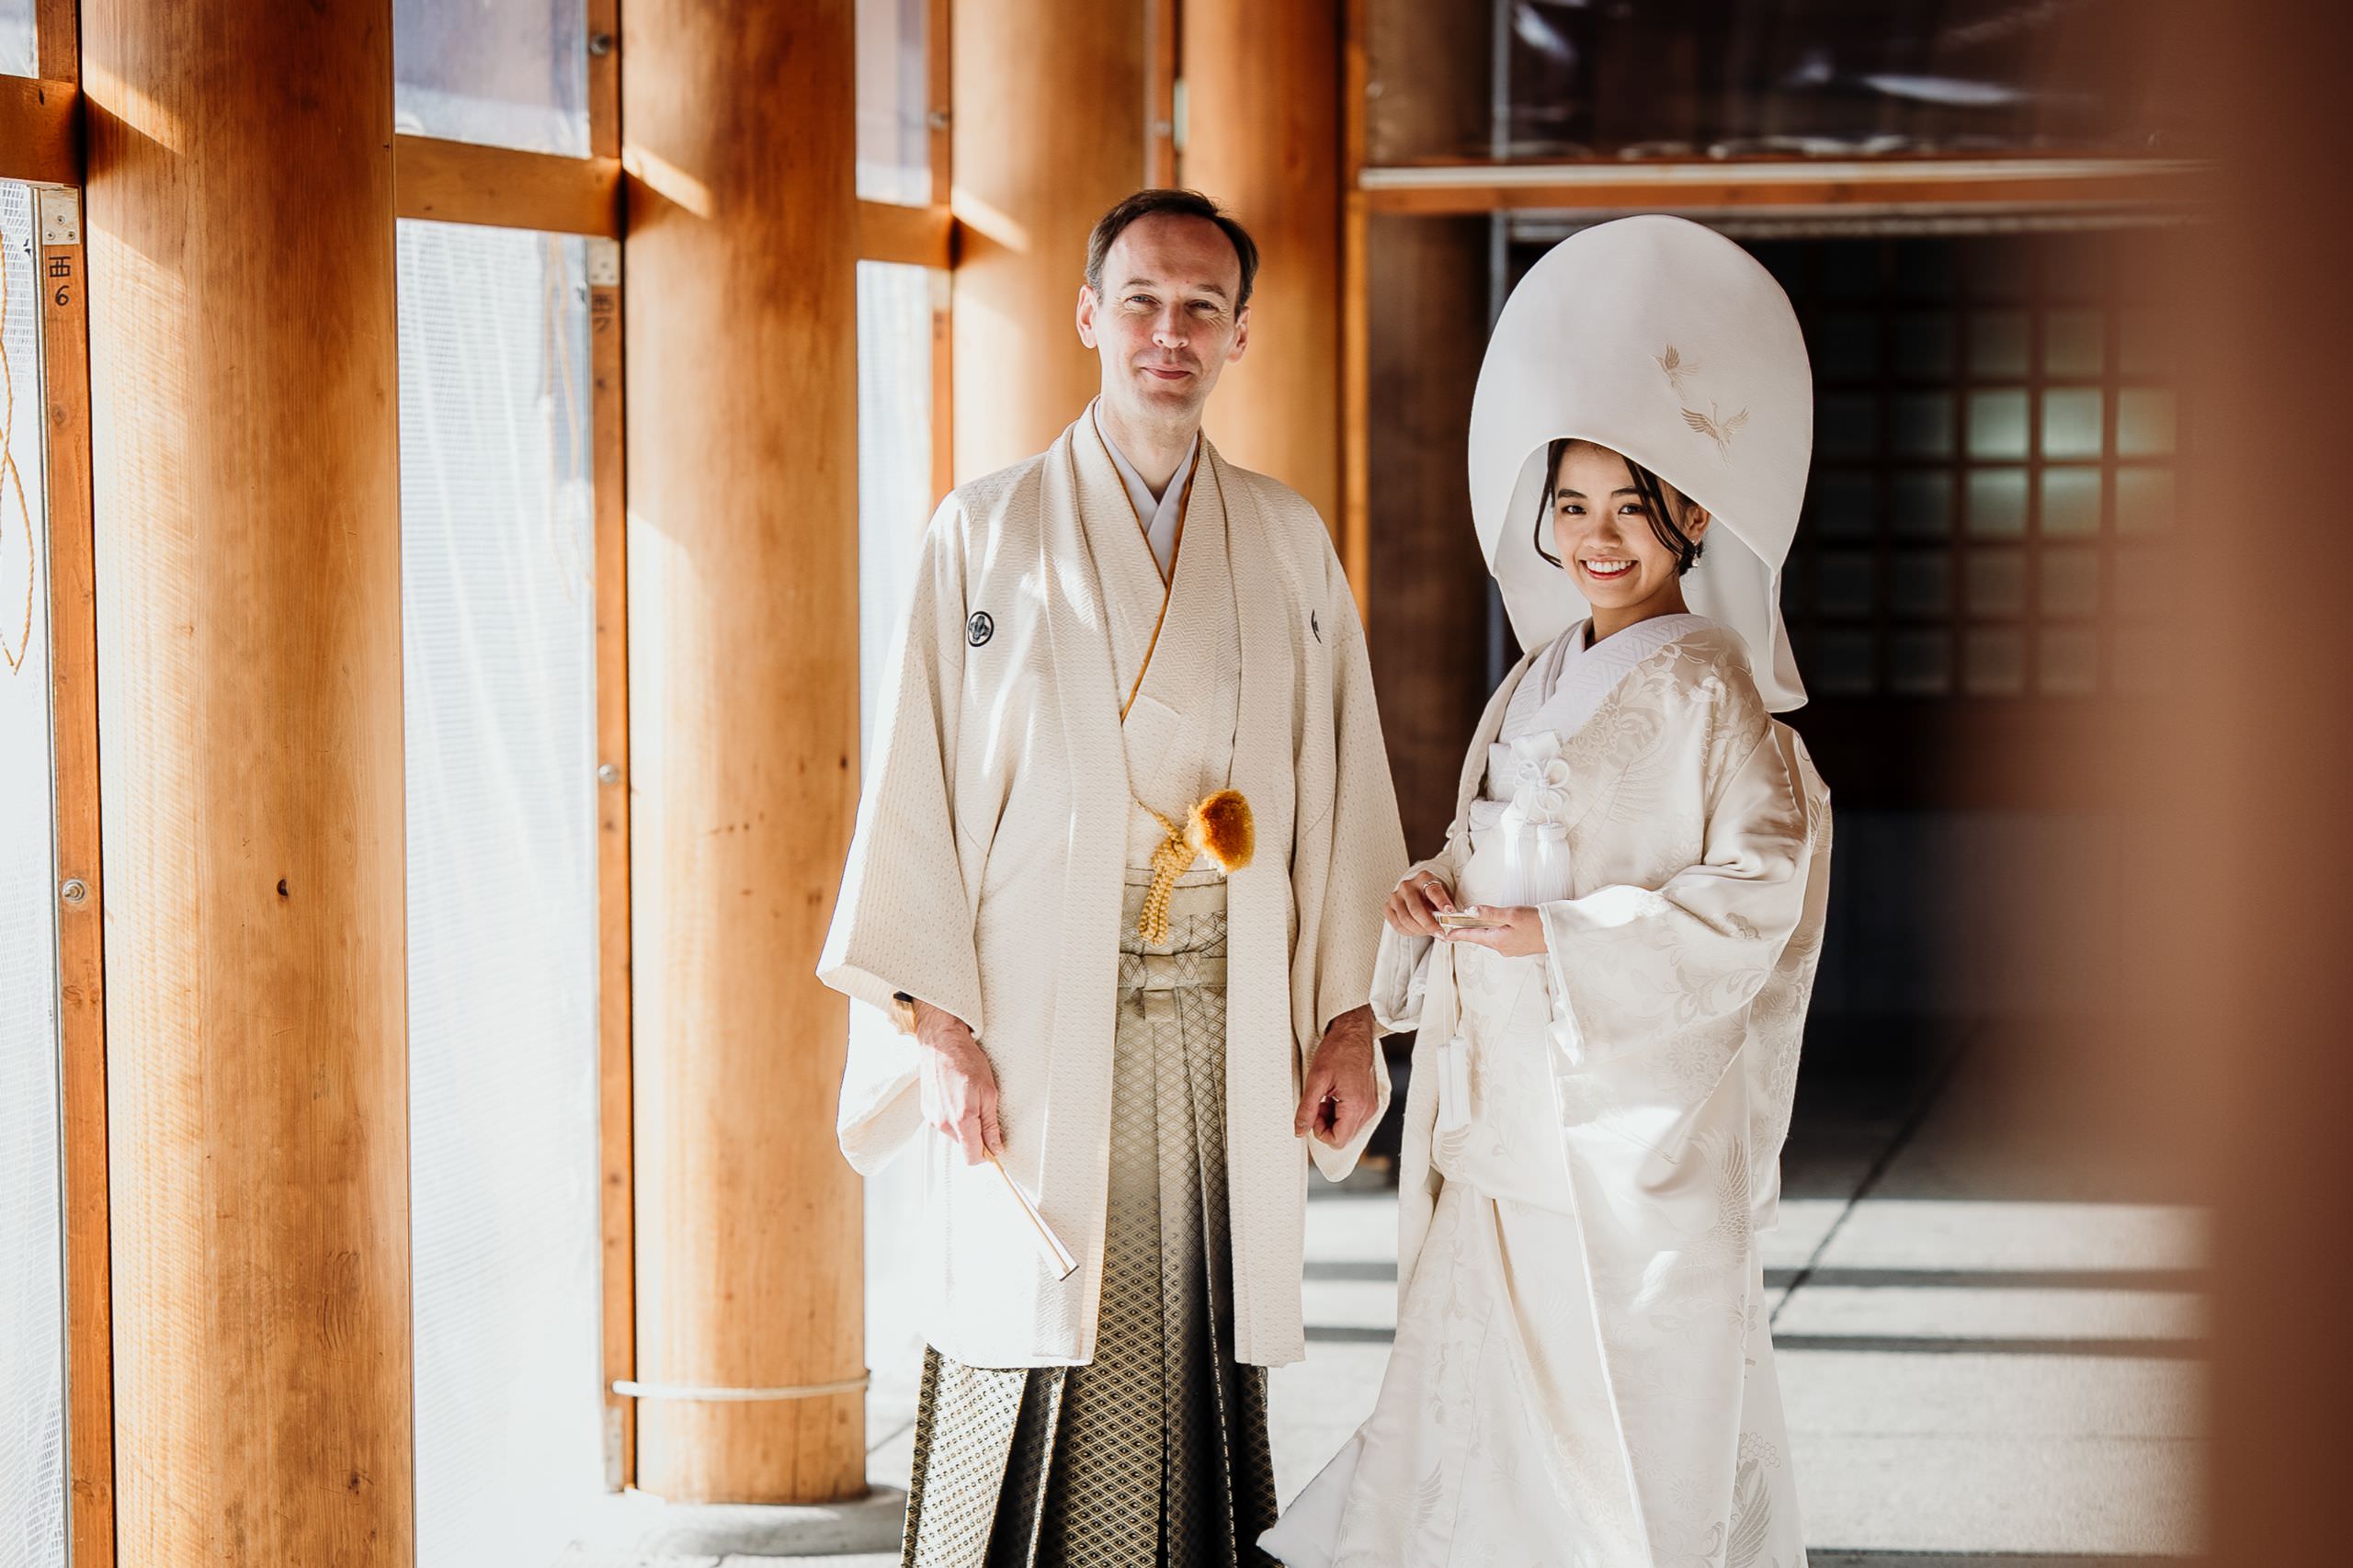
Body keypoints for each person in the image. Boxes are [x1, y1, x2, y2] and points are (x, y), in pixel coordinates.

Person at [818, 187, 1408, 1568]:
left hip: (1220, 1019)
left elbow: (1342, 784)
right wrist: (936, 1025)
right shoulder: (986, 532)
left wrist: (1344, 1016)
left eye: (1203, 306)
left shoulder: (1284, 539)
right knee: (1022, 1321)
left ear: (1240, 335)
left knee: (1190, 1324)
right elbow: (913, 785)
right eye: (1140, 300)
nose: (1169, 330)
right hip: (1023, 1020)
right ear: (1089, 316)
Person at [1262, 214, 1834, 1568]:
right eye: (1572, 504)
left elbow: (1757, 890)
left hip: (1615, 1124)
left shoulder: (1715, 690)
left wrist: (1563, 940)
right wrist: (1431, 896)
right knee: (1477, 1412)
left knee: (1612, 1430)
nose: (1597, 536)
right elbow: (1484, 841)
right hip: (1504, 1106)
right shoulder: (1535, 674)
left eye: (1632, 506)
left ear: (1691, 516)